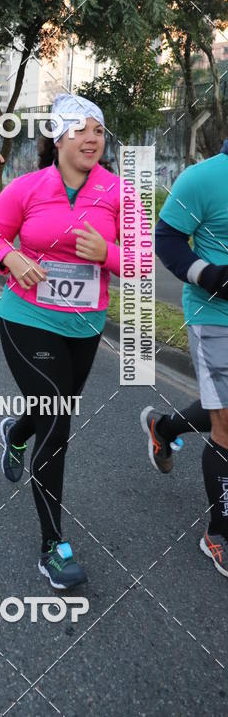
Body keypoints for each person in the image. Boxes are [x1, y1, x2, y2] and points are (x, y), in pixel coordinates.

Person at [0, 93, 150, 590]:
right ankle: (53, 546)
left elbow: (142, 261)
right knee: (58, 421)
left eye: (98, 130)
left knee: (52, 411)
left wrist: (107, 253)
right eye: (80, 130)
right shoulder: (26, 188)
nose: (92, 139)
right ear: (57, 138)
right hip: (27, 318)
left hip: (84, 327)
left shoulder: (120, 193)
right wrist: (11, 259)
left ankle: (16, 433)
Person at [140, 139, 228, 577]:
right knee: (227, 422)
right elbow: (167, 239)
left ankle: (165, 427)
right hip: (216, 316)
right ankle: (219, 533)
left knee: (222, 407)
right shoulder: (204, 178)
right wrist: (208, 275)